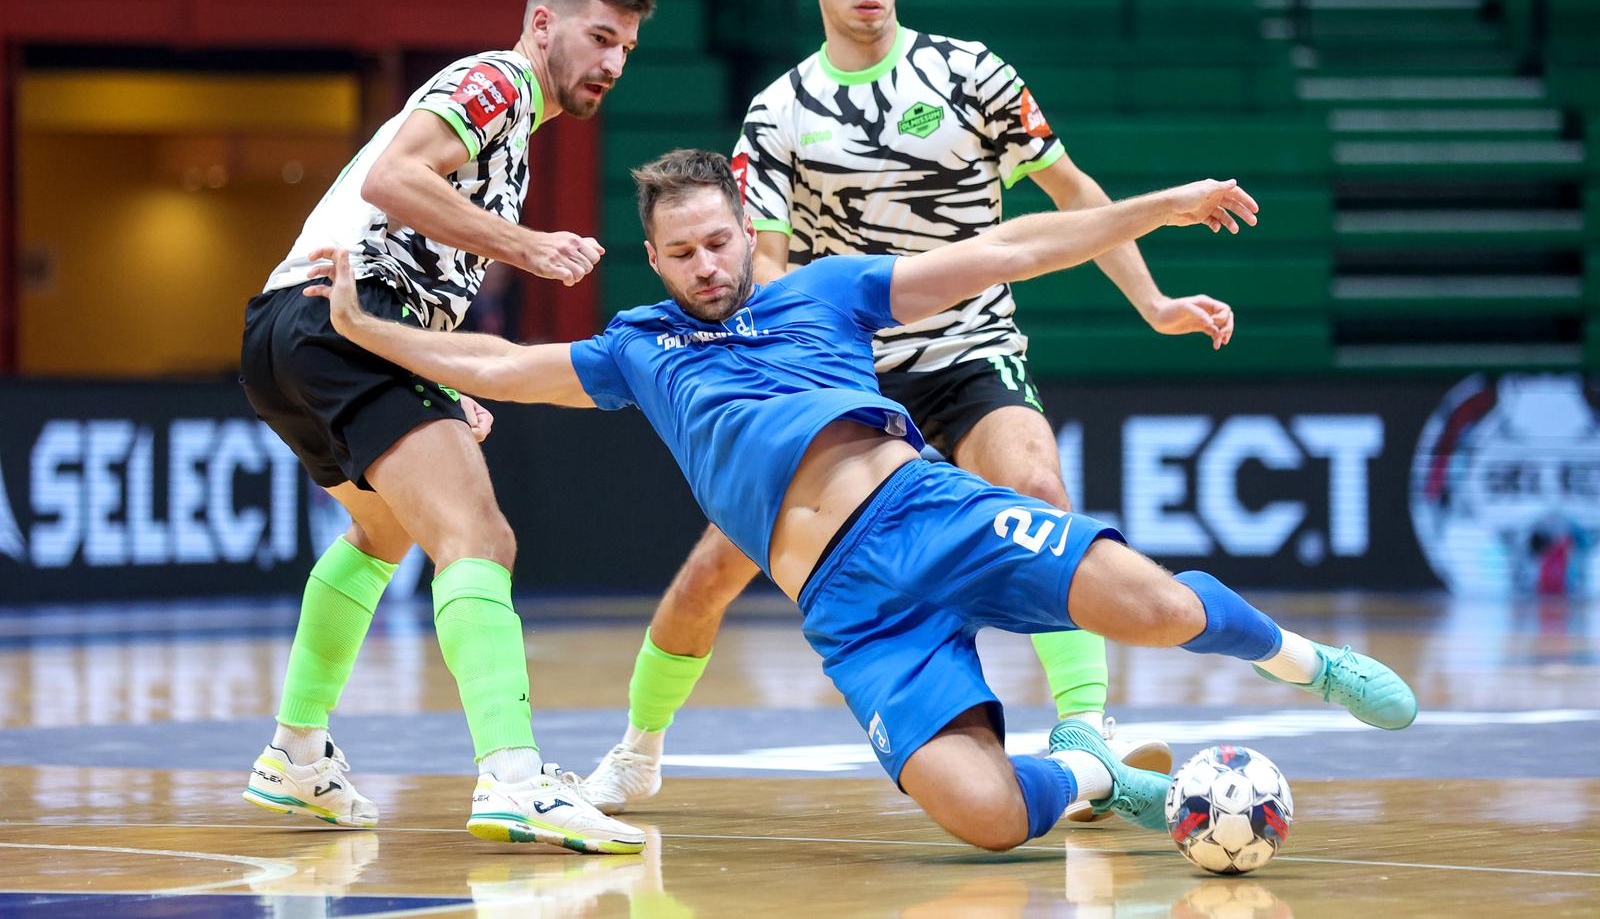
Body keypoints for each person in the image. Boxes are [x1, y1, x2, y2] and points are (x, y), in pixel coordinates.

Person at [301, 149, 1417, 853]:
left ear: (745, 229)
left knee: (1158, 607)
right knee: (980, 817)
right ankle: (1099, 774)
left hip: (928, 512)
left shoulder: (823, 293)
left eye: (719, 240)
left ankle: (1300, 662)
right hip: (849, 610)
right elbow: (496, 364)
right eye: (680, 250)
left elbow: (1006, 248)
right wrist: (361, 328)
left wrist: (1155, 208)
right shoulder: (638, 348)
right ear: (652, 256)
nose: (705, 262)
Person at [580, 0, 1236, 819]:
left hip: (969, 348)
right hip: (844, 375)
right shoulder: (779, 115)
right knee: (707, 576)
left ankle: (1087, 730)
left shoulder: (972, 75)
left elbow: (1071, 194)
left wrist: (1155, 300)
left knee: (1039, 493)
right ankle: (638, 751)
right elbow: (760, 261)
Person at [237, 0, 653, 855]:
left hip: (291, 331)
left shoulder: (510, 126)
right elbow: (393, 181)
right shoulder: (497, 80)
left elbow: (407, 239)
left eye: (625, 46)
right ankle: (513, 777)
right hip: (345, 318)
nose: (613, 62)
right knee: (481, 538)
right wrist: (530, 246)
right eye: (599, 37)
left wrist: (443, 379)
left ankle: (295, 753)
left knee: (385, 534)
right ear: (544, 24)